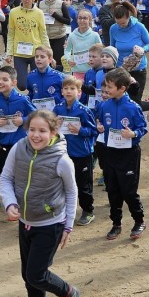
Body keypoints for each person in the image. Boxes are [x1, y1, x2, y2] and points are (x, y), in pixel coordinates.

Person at [93, 67, 148, 240]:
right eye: (106, 87)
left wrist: (133, 134)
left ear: (122, 88)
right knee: (113, 190)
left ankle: (139, 220)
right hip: (110, 152)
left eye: (110, 87)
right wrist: (99, 127)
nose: (106, 90)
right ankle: (116, 224)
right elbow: (99, 121)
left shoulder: (133, 107)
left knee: (128, 190)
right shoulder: (104, 105)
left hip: (129, 154)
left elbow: (143, 128)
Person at [53, 77, 98, 226]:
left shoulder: (83, 111)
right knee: (63, 183)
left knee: (83, 184)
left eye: (72, 89)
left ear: (79, 92)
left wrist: (80, 130)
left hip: (82, 153)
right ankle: (64, 211)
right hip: (63, 153)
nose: (68, 91)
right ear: (61, 91)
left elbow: (93, 131)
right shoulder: (58, 108)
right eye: (65, 89)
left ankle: (88, 210)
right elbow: (51, 128)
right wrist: (55, 127)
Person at [6, 0, 49, 91]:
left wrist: (48, 50)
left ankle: (32, 102)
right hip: (19, 53)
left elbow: (43, 33)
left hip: (36, 52)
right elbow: (11, 33)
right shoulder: (13, 12)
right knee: (21, 85)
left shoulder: (39, 13)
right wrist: (9, 52)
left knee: (36, 83)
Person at [38, 0, 72, 70]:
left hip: (59, 37)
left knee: (57, 62)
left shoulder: (61, 4)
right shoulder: (40, 4)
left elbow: (68, 21)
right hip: (46, 38)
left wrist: (55, 15)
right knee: (46, 62)